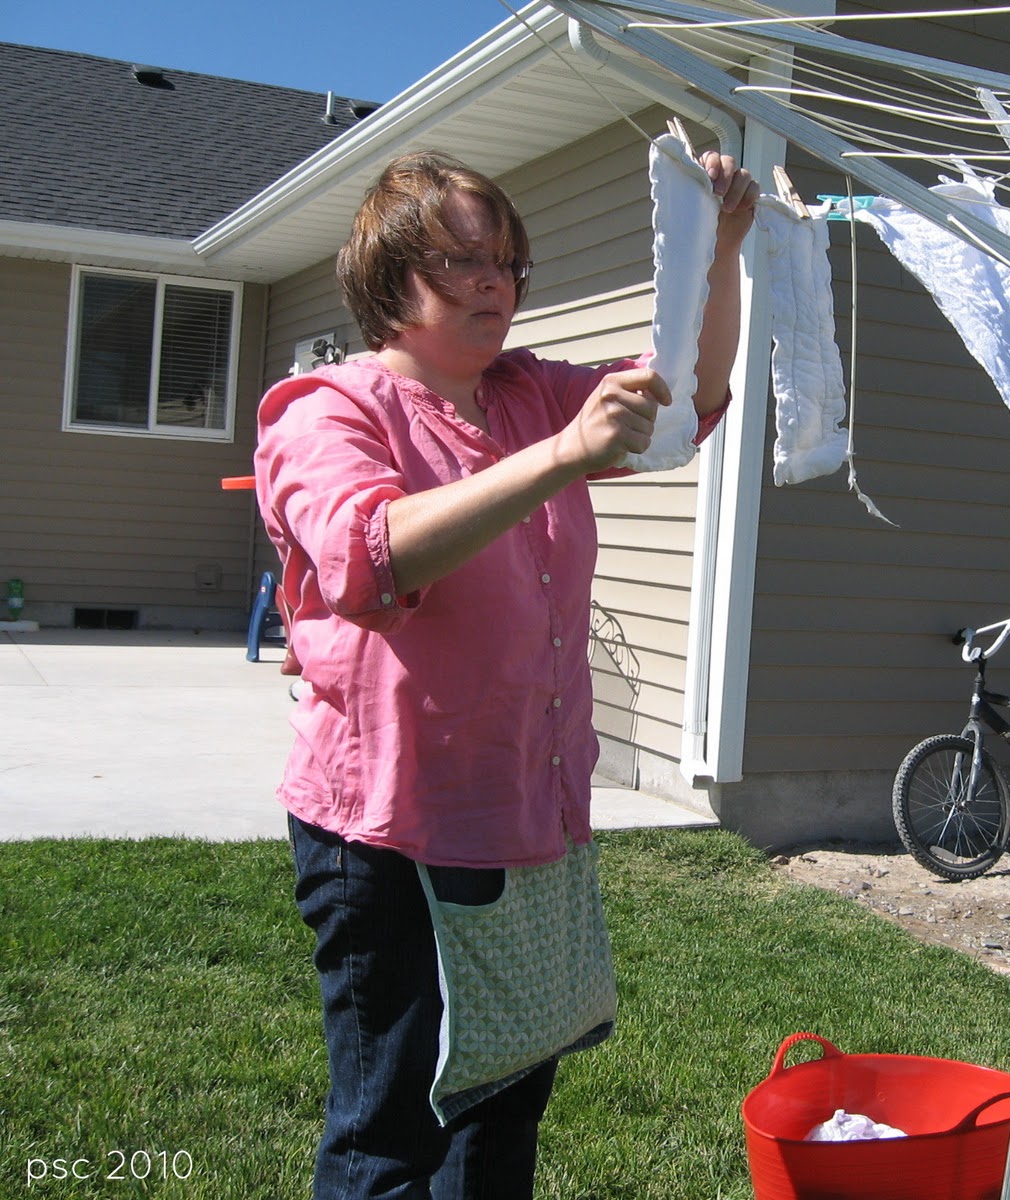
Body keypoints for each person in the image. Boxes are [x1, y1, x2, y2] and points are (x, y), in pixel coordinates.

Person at [254, 147, 758, 1199]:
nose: (495, 280)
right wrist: (560, 459)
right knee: (392, 1125)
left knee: (500, 1111)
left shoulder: (526, 392)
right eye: (461, 260)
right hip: (390, 832)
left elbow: (685, 407)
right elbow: (364, 555)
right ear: (390, 275)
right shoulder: (327, 409)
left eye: (507, 261)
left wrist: (719, 256)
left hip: (523, 814)